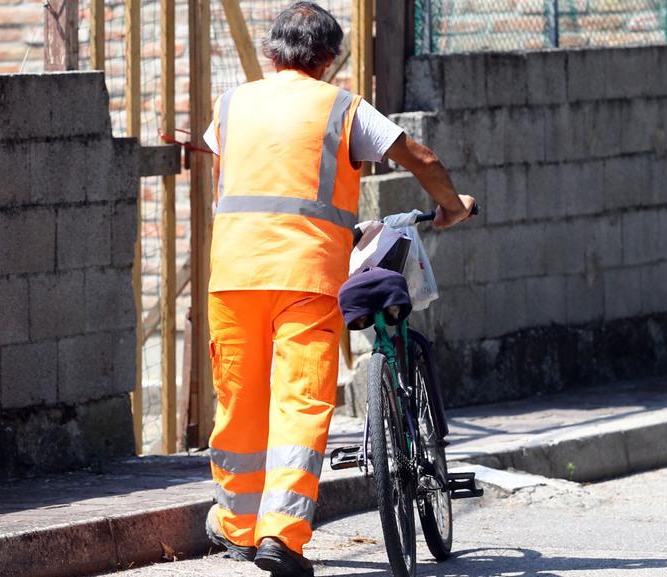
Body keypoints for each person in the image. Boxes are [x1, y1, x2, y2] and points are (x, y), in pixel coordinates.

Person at [200, 2, 475, 575]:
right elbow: (419, 156)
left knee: (239, 401)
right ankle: (282, 536)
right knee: (301, 402)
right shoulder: (343, 107)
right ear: (329, 59)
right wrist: (452, 208)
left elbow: (227, 163)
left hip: (232, 275)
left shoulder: (230, 105)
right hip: (309, 278)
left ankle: (237, 526)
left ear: (273, 52)